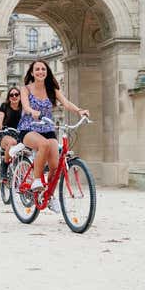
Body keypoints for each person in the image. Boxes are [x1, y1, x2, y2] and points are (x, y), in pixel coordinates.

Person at [17, 60, 89, 213]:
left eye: (43, 69)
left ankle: (49, 195)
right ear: (31, 72)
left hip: (48, 127)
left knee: (55, 167)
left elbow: (66, 103)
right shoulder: (26, 89)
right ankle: (36, 180)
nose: (40, 72)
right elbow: (25, 105)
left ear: (47, 72)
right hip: (29, 127)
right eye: (37, 69)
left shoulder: (52, 90)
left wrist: (79, 110)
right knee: (43, 145)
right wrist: (32, 112)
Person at [0, 87, 22, 180]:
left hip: (20, 134)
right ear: (8, 97)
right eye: (11, 95)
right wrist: (0, 125)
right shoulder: (4, 106)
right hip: (6, 133)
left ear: (20, 96)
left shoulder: (23, 107)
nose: (14, 96)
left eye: (16, 94)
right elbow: (0, 121)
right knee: (12, 143)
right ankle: (5, 164)